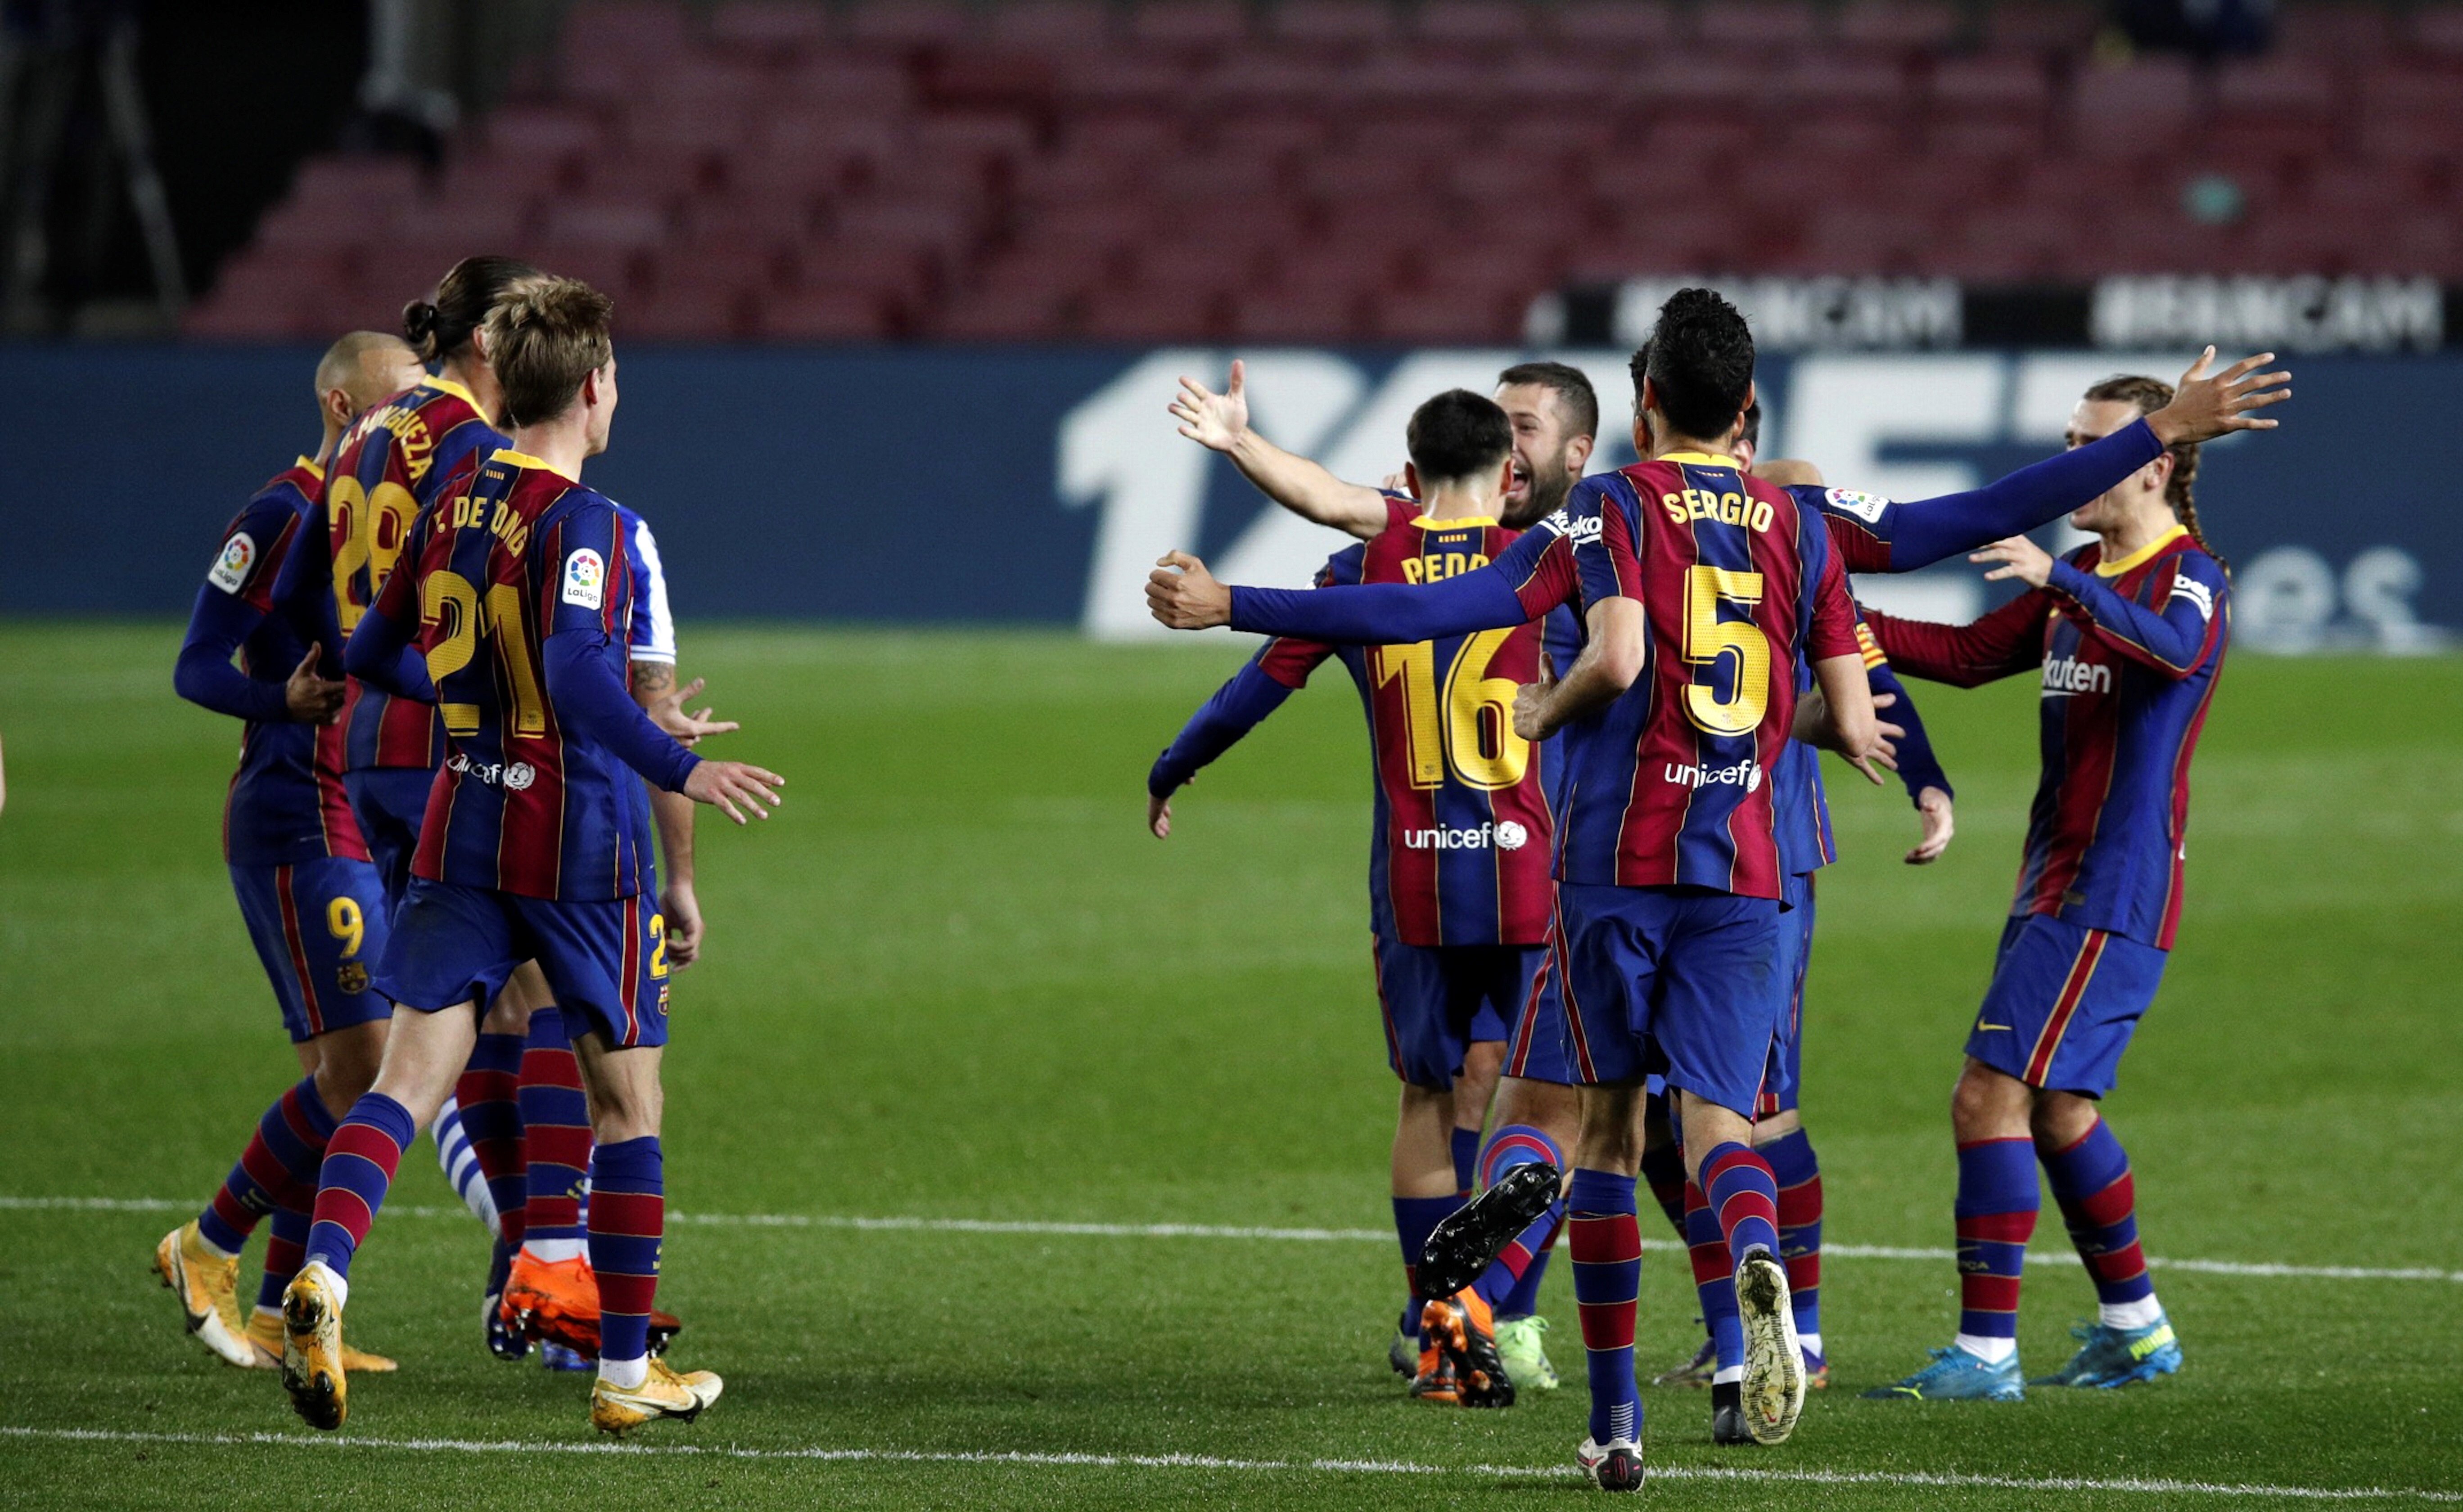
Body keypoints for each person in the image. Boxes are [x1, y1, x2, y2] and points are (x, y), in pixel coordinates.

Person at [277, 277, 785, 1435]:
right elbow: (577, 678)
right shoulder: (599, 528)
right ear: (596, 388)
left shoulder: (453, 497)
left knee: (408, 1080)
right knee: (629, 1101)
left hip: (461, 819)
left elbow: (368, 645)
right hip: (576, 845)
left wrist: (469, 695)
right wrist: (676, 761)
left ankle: (325, 1276)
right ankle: (622, 1375)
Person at [1150, 387, 1574, 1408]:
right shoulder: (1552, 567)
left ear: (1410, 466)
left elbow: (1253, 691)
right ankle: (1492, 1305)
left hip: (1417, 878)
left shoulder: (1361, 568)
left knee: (1429, 1101)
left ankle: (1437, 1336)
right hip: (1529, 873)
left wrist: (1174, 767)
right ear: (1507, 473)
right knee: (1555, 1104)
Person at [1860, 371, 2246, 1403]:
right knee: (2060, 1109)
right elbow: (1965, 654)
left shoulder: (2190, 574)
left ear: (2154, 463)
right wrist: (1830, 612)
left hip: (2108, 890)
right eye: (2071, 440)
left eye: (2096, 444)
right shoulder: (2080, 570)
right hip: (2056, 882)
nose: (2076, 460)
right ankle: (2137, 1329)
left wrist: (2064, 582)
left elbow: (2175, 653)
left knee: (1988, 1095)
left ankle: (1987, 1354)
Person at [154, 331, 425, 1374]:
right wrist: (282, 699)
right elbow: (193, 665)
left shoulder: (377, 517)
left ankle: (276, 1311)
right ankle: (206, 1243)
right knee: (361, 1067)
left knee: (337, 1071)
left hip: (355, 804)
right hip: (294, 811)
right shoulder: (283, 512)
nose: (414, 421)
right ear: (342, 405)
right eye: (397, 402)